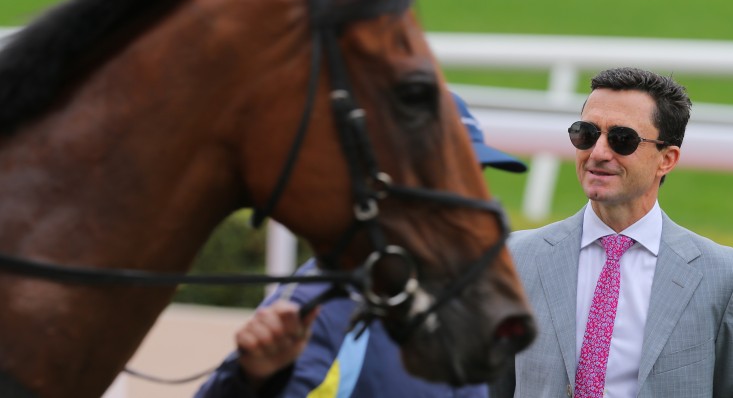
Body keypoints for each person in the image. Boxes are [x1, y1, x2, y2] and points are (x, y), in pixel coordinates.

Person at [195, 92, 527, 398]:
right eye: (450, 179)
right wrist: (251, 381)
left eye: (474, 177)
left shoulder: (450, 306)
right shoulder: (318, 307)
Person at [494, 67, 733, 398]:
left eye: (622, 139)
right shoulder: (516, 257)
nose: (598, 153)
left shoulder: (727, 276)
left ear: (666, 159)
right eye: (586, 134)